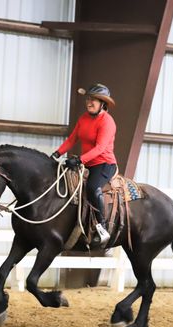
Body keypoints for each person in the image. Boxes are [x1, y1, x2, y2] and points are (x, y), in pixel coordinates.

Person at [51, 83, 118, 246]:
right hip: (87, 163)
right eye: (88, 99)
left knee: (92, 188)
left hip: (104, 164)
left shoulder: (107, 122)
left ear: (103, 104)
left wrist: (80, 160)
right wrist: (57, 153)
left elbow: (100, 148)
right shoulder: (83, 118)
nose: (89, 102)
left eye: (94, 100)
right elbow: (72, 139)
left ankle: (102, 228)